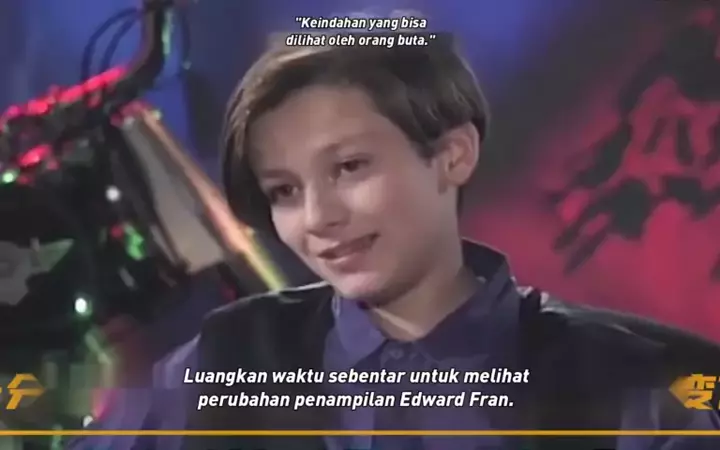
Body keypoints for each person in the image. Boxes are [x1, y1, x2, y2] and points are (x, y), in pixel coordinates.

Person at [69, 28, 720, 450]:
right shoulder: (229, 358)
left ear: (452, 155)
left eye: (350, 167)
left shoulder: (642, 386)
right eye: (284, 191)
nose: (317, 217)